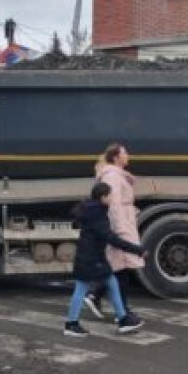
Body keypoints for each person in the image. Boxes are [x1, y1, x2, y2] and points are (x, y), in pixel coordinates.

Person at [64, 182, 146, 337]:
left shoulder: (93, 209)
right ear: (103, 197)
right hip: (92, 259)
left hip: (90, 256)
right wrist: (137, 250)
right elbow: (110, 238)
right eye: (110, 195)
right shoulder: (97, 213)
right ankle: (72, 324)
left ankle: (122, 320)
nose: (112, 198)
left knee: (109, 283)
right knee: (82, 289)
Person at [85, 143, 143, 320]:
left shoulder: (116, 175)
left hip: (124, 223)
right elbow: (113, 204)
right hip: (120, 226)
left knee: (118, 268)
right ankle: (121, 311)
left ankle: (97, 296)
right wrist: (119, 230)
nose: (128, 155)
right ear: (116, 157)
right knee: (121, 269)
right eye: (125, 153)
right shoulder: (112, 176)